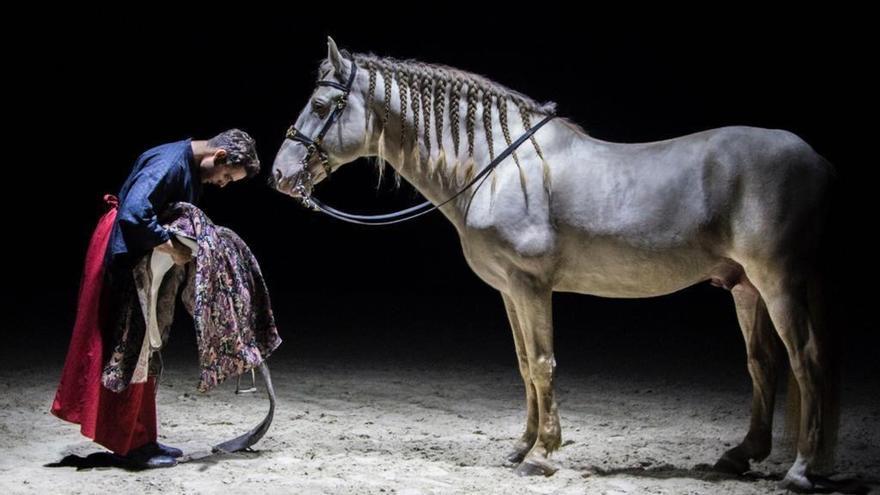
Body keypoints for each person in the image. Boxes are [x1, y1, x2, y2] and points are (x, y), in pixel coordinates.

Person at [52, 129, 260, 468]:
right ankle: (130, 446)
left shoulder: (187, 166)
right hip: (123, 252)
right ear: (218, 157)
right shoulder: (169, 164)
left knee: (147, 348)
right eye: (226, 177)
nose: (222, 184)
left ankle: (143, 438)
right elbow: (134, 214)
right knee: (130, 348)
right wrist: (172, 246)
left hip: (139, 255)